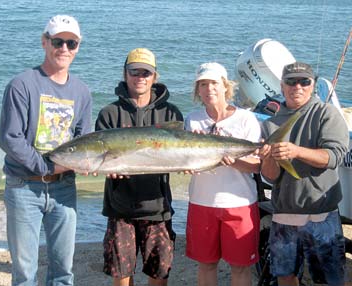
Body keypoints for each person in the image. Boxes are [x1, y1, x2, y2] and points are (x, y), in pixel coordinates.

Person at [0, 15, 92, 285]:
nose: (64, 49)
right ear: (44, 42)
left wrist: (92, 164)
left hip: (64, 189)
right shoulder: (22, 84)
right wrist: (47, 167)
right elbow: (10, 139)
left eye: (71, 43)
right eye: (58, 41)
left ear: (77, 47)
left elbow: (82, 139)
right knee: (25, 273)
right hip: (24, 188)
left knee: (64, 270)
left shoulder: (82, 91)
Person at [95, 48, 183, 286]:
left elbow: (180, 153)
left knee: (159, 275)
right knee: (122, 276)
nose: (140, 77)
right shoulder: (109, 114)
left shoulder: (170, 112)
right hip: (120, 209)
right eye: (135, 71)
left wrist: (193, 162)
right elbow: (98, 156)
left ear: (155, 76)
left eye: (146, 72)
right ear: (125, 74)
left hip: (158, 208)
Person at [259, 62, 349, 286]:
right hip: (284, 216)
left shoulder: (326, 113)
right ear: (281, 86)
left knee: (330, 279)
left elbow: (334, 156)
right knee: (285, 276)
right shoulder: (270, 124)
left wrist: (296, 151)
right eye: (290, 81)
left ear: (313, 85)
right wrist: (269, 157)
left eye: (304, 81)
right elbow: (270, 177)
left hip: (322, 215)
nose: (297, 86)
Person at [184, 62, 261, 286]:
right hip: (201, 202)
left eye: (214, 83)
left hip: (240, 203)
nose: (209, 89)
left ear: (226, 86)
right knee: (206, 265)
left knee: (240, 268)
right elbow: (190, 161)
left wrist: (235, 162)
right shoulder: (193, 120)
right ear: (198, 90)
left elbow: (257, 165)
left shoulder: (246, 119)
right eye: (203, 84)